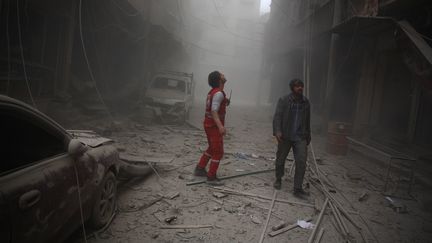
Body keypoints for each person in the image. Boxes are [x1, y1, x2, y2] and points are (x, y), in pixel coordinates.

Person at [272, 78, 311, 198]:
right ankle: (278, 179)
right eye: (297, 86)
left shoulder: (306, 102)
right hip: (286, 135)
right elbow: (277, 116)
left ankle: (297, 188)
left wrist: (308, 134)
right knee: (280, 159)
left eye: (301, 86)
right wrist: (277, 131)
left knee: (301, 162)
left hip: (300, 137)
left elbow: (307, 120)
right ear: (292, 88)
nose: (300, 88)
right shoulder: (284, 100)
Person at [194, 71, 229, 185]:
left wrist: (225, 101)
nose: (223, 74)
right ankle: (211, 177)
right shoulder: (218, 93)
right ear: (219, 79)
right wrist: (220, 127)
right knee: (218, 151)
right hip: (213, 126)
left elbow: (215, 105)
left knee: (212, 148)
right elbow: (214, 111)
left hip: (208, 124)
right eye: (221, 74)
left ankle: (200, 168)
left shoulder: (214, 92)